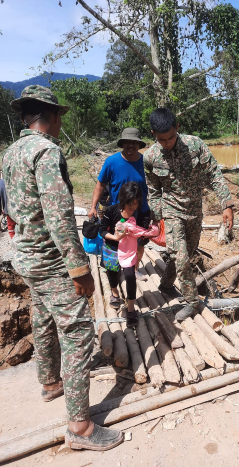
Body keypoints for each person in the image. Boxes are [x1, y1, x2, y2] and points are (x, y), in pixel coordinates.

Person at [2, 85, 123, 451]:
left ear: (26, 116)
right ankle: (80, 426)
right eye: (59, 118)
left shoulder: (11, 151)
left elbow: (7, 203)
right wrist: (78, 268)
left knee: (42, 317)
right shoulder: (46, 151)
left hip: (24, 254)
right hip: (50, 258)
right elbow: (58, 216)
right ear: (51, 117)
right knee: (77, 332)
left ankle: (51, 382)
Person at [143, 108, 234, 320]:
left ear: (177, 128)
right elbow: (154, 190)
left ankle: (166, 283)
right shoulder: (150, 157)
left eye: (171, 137)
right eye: (161, 139)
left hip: (195, 211)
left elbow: (214, 174)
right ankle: (192, 302)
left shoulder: (195, 145)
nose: (167, 143)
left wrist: (226, 204)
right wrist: (156, 216)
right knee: (181, 258)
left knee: (185, 253)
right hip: (172, 210)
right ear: (153, 134)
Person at [88, 128, 150, 286]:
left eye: (134, 143)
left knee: (139, 244)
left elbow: (156, 187)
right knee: (115, 243)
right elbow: (100, 185)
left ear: (139, 144)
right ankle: (113, 270)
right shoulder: (112, 162)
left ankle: (134, 269)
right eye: (127, 142)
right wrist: (93, 206)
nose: (131, 146)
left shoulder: (146, 162)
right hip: (117, 213)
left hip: (141, 211)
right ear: (122, 144)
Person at [99, 182, 158, 326]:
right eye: (129, 204)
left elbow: (144, 230)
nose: (132, 208)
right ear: (122, 200)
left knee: (130, 276)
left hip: (129, 251)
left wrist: (145, 234)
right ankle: (115, 293)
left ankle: (131, 309)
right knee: (112, 272)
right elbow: (101, 230)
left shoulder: (139, 213)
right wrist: (116, 237)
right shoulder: (111, 211)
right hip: (112, 247)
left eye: (135, 204)